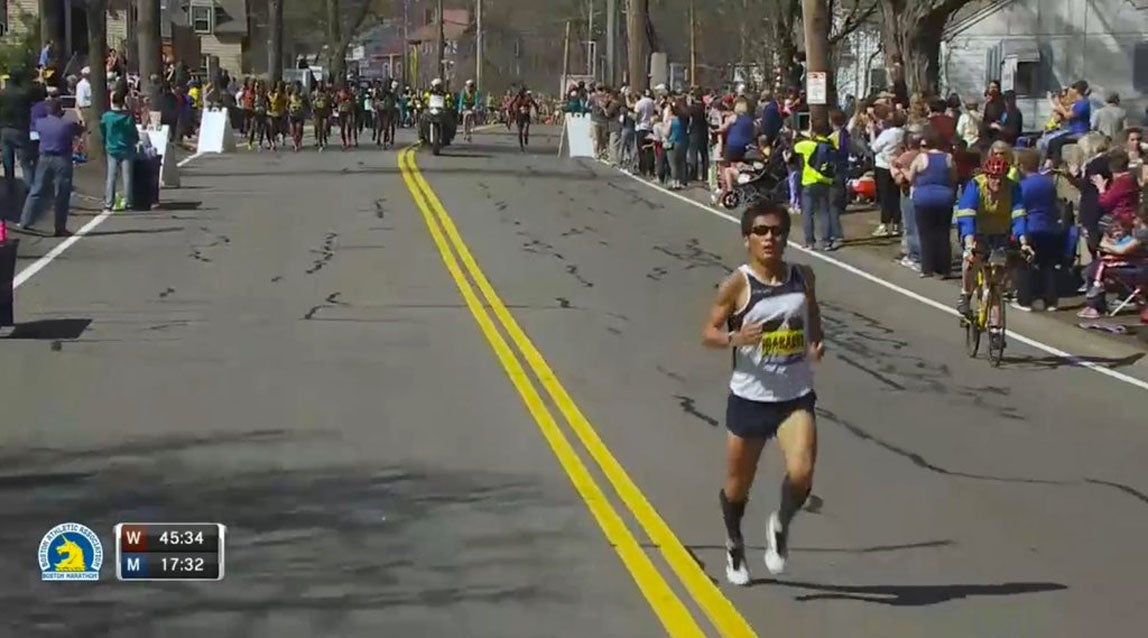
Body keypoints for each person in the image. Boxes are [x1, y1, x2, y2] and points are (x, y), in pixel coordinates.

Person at [701, 200, 825, 585]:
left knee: (802, 472)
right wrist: (736, 338)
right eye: (761, 231)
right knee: (738, 486)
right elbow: (708, 331)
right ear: (747, 239)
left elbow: (813, 313)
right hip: (751, 398)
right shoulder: (738, 284)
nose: (770, 238)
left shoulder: (803, 276)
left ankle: (779, 526)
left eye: (777, 231)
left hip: (795, 395)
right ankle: (734, 542)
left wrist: (816, 341)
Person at [954, 155, 1032, 317]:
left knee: (996, 281)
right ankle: (965, 294)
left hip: (1000, 232)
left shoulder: (1013, 188)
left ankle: (995, 329)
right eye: (994, 178)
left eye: (1001, 178)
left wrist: (1024, 242)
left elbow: (1019, 215)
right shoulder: (976, 185)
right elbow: (967, 215)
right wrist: (969, 244)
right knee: (972, 260)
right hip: (977, 231)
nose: (997, 182)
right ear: (987, 176)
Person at [15, 99, 81, 236]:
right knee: (62, 193)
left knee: (36, 190)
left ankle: (25, 221)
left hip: (44, 157)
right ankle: (60, 227)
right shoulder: (67, 124)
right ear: (60, 110)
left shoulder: (40, 123)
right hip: (62, 158)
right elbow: (79, 130)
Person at [100, 95, 140, 212]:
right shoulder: (127, 117)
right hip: (126, 148)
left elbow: (103, 130)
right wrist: (135, 140)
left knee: (111, 176)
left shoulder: (106, 116)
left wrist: (105, 141)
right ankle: (128, 202)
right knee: (127, 176)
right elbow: (133, 131)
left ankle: (109, 203)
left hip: (112, 148)